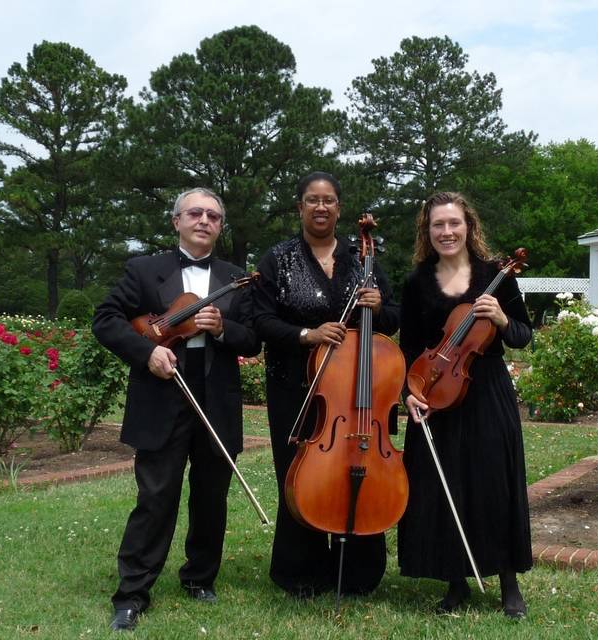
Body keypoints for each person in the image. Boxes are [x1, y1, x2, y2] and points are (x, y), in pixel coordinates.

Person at [93, 188, 260, 632]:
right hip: (162, 393)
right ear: (177, 221)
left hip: (216, 398)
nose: (204, 220)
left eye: (213, 215)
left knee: (211, 497)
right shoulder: (144, 270)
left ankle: (199, 577)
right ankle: (132, 593)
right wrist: (146, 353)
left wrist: (225, 328)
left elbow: (253, 339)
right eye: (195, 213)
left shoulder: (236, 277)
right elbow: (106, 319)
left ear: (221, 226)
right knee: (155, 497)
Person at [253, 171, 399, 597]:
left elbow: (392, 318)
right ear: (300, 207)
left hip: (357, 393)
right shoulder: (278, 259)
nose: (321, 207)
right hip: (296, 388)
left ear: (339, 208)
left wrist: (380, 307)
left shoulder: (362, 259)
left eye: (329, 200)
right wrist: (307, 335)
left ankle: (358, 570)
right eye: (312, 200)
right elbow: (260, 320)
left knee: (361, 469)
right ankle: (300, 570)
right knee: (301, 475)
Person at [399, 192, 532, 618]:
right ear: (428, 231)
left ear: (469, 226)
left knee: (494, 483)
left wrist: (502, 319)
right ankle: (456, 582)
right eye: (438, 225)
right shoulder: (417, 281)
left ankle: (508, 582)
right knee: (444, 488)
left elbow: (522, 337)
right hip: (436, 393)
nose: (447, 232)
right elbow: (409, 350)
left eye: (454, 223)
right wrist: (409, 392)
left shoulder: (498, 276)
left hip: (488, 391)